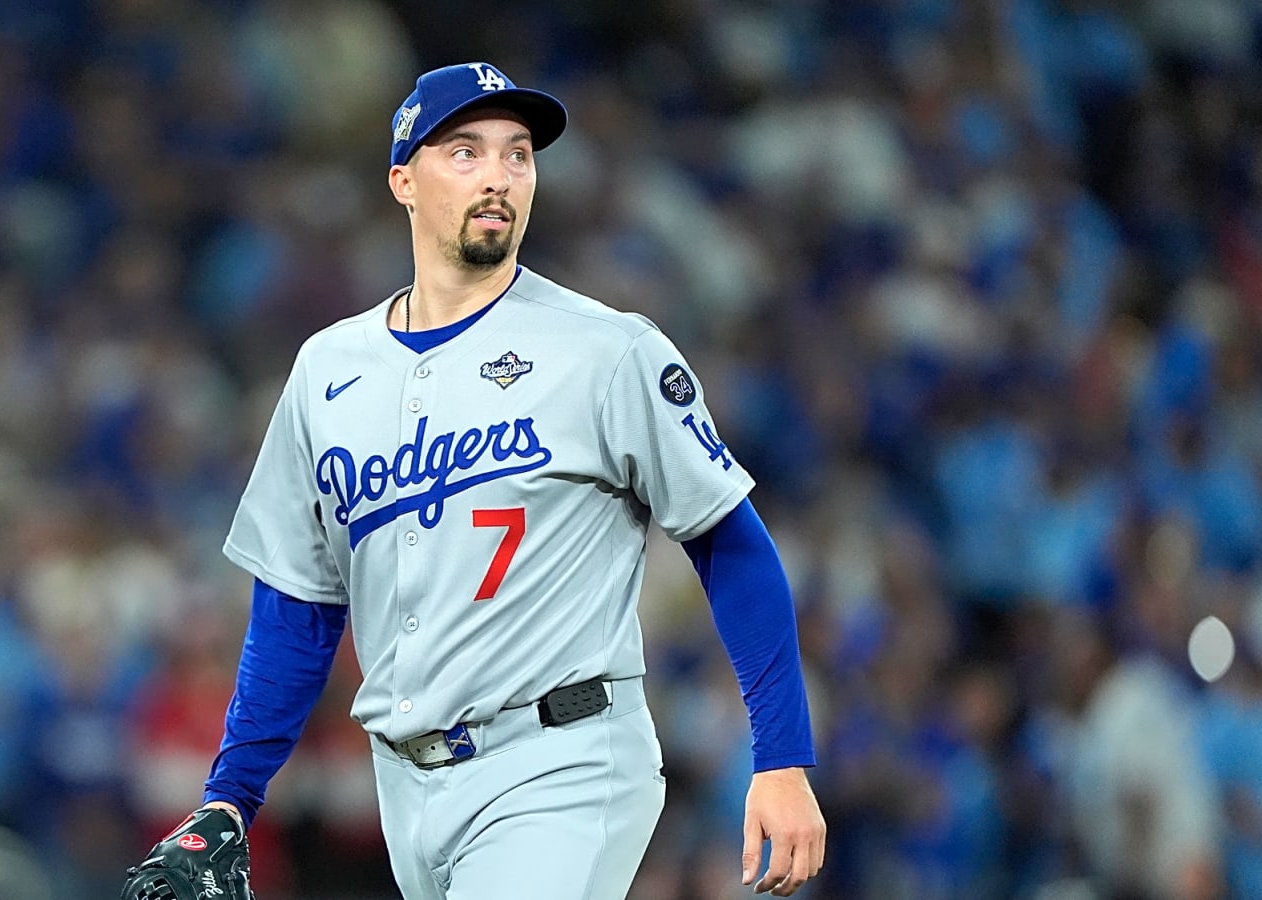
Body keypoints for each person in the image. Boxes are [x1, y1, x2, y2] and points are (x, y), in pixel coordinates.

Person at [197, 61, 825, 898]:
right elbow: (298, 607)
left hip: (562, 760)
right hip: (404, 783)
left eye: (518, 154)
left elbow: (732, 547)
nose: (499, 175)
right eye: (465, 152)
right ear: (403, 181)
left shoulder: (607, 351)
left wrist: (781, 757)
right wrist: (230, 799)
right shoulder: (326, 370)